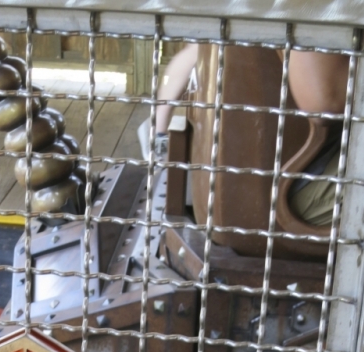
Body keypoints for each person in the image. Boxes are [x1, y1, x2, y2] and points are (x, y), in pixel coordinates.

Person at [137, 44, 349, 226]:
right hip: (287, 197)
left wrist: (158, 137)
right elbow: (326, 103)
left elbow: (186, 58)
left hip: (216, 194)